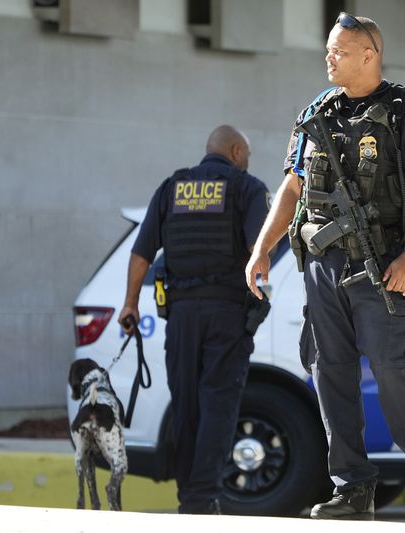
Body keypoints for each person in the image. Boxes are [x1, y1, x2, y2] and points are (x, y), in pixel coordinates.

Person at [244, 12, 405, 524]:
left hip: (383, 265)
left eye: (338, 51)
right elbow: (292, 188)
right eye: (327, 50)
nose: (328, 58)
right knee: (330, 374)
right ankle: (354, 488)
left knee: (392, 374)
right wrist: (260, 248)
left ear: (369, 55)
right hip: (322, 265)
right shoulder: (317, 111)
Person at [118, 125, 270, 514]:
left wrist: (130, 304)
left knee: (186, 406)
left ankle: (190, 496)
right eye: (246, 156)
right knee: (218, 403)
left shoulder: (172, 187)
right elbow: (258, 249)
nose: (247, 162)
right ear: (236, 151)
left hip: (181, 316)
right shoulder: (247, 188)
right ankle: (201, 500)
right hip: (226, 314)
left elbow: (142, 252)